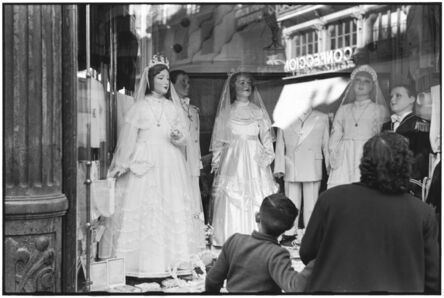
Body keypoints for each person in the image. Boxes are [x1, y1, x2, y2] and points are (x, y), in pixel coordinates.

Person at [300, 132, 440, 293]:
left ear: (364, 162)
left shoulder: (330, 200)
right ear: (406, 164)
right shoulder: (423, 213)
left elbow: (307, 253)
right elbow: (433, 277)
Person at [107, 54, 205, 278]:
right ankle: (143, 263)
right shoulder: (139, 107)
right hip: (147, 162)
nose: (164, 82)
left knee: (170, 206)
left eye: (167, 78)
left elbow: (185, 138)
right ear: (150, 81)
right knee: (147, 208)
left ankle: (173, 260)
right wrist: (121, 164)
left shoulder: (173, 108)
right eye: (160, 77)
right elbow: (129, 138)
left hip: (170, 162)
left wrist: (178, 136)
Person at [209, 72, 278, 246]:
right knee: (232, 193)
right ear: (233, 86)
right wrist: (216, 161)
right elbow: (218, 140)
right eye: (241, 82)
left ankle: (257, 235)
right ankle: (230, 234)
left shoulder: (258, 112)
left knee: (257, 194)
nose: (246, 85)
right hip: (233, 159)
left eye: (248, 82)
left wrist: (267, 157)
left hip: (256, 160)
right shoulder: (226, 112)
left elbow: (267, 138)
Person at [205, 193, 314, 293]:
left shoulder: (234, 241)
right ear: (289, 227)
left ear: (257, 217)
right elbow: (295, 287)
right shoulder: (276, 254)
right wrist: (319, 260)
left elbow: (212, 280)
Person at [274, 106, 330, 246]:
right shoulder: (285, 116)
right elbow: (280, 144)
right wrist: (279, 166)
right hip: (291, 164)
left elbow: (326, 145)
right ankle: (289, 233)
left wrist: (330, 167)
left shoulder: (322, 117)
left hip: (312, 163)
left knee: (312, 202)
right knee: (291, 202)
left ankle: (311, 233)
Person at [327, 64, 390, 188]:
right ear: (352, 83)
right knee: (342, 189)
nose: (361, 84)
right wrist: (334, 153)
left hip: (366, 152)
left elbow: (381, 135)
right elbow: (336, 134)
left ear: (372, 86)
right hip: (345, 154)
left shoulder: (379, 110)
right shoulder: (343, 109)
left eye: (366, 81)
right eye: (358, 80)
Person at [382, 84, 432, 198]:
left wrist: (411, 184)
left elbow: (421, 158)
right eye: (391, 96)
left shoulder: (420, 125)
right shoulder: (386, 126)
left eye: (398, 95)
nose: (393, 99)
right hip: (385, 184)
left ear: (412, 99)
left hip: (408, 186)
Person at [170, 69, 204, 221]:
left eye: (188, 81)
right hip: (176, 160)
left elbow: (195, 141)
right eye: (182, 81)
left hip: (192, 161)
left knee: (192, 196)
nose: (187, 85)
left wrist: (198, 161)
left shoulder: (193, 111)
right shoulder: (168, 109)